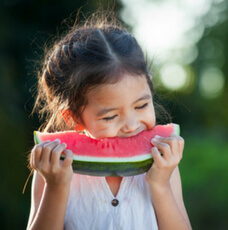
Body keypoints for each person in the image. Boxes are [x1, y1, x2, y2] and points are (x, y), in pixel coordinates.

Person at [27, 11, 192, 230]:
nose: (131, 125)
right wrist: (56, 187)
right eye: (110, 116)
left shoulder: (163, 164)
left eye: (142, 106)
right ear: (73, 117)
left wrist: (160, 185)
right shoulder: (52, 169)